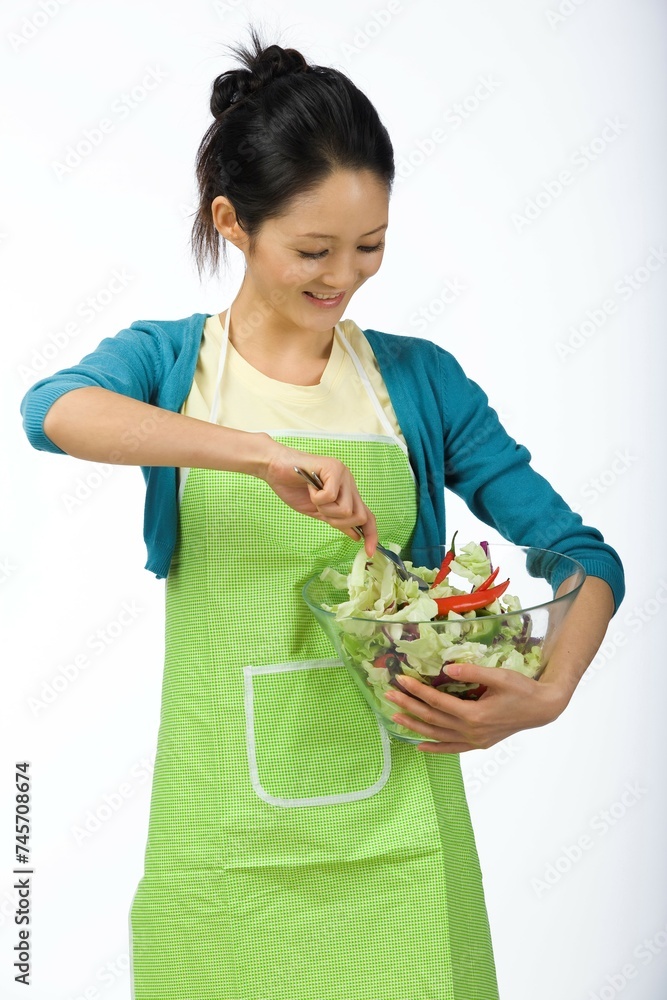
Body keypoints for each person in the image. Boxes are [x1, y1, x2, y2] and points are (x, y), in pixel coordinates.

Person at [20, 24, 625, 1000]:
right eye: (312, 249)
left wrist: (549, 691)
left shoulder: (417, 384)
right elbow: (52, 412)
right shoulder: (172, 365)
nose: (341, 276)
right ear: (231, 221)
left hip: (401, 843)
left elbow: (580, 554)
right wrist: (259, 452)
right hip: (223, 842)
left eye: (369, 247)